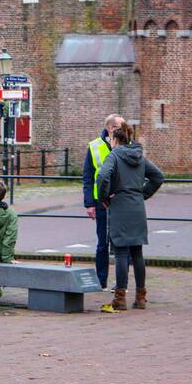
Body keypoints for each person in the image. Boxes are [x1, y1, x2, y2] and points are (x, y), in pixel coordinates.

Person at [96, 121, 164, 311]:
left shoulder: (114, 155)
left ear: (115, 139)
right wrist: (142, 193)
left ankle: (120, 297)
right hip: (137, 207)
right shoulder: (139, 157)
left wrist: (104, 196)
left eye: (110, 138)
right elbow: (158, 176)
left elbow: (102, 176)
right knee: (137, 252)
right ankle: (141, 297)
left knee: (120, 253)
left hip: (120, 206)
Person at [82, 113, 124, 289]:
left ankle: (122, 283)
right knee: (102, 242)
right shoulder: (94, 146)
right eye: (120, 126)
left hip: (122, 200)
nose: (124, 130)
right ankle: (101, 280)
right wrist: (89, 203)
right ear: (110, 128)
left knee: (122, 242)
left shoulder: (126, 145)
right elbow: (88, 177)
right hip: (101, 201)